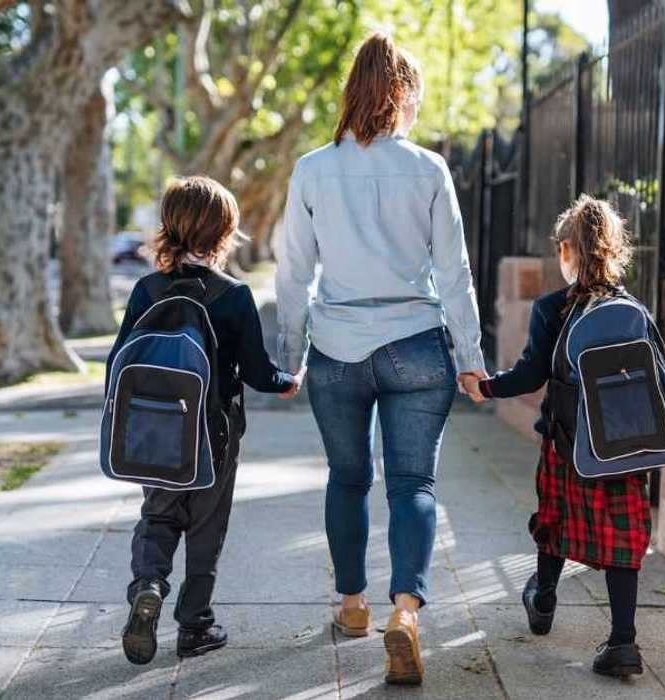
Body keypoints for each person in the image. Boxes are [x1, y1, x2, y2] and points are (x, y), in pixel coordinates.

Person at [275, 32, 486, 686]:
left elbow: (292, 273)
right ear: (404, 94)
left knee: (346, 478)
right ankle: (406, 612)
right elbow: (455, 274)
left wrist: (288, 355)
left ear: (353, 92)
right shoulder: (428, 170)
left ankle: (352, 606)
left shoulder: (312, 168)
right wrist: (472, 358)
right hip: (415, 344)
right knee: (412, 485)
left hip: (337, 347)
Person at [109, 176, 300, 665]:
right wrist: (287, 381)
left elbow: (117, 363)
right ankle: (195, 625)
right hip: (215, 433)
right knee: (206, 527)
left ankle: (147, 586)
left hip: (155, 434)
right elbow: (257, 373)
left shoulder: (147, 289)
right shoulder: (234, 296)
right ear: (224, 232)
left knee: (158, 515)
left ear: (168, 226)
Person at [461, 194, 651, 678]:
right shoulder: (633, 309)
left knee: (555, 518)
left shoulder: (553, 308)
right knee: (623, 536)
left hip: (568, 442)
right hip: (625, 447)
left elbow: (529, 375)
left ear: (568, 249)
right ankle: (623, 642)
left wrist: (485, 387)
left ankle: (543, 598)